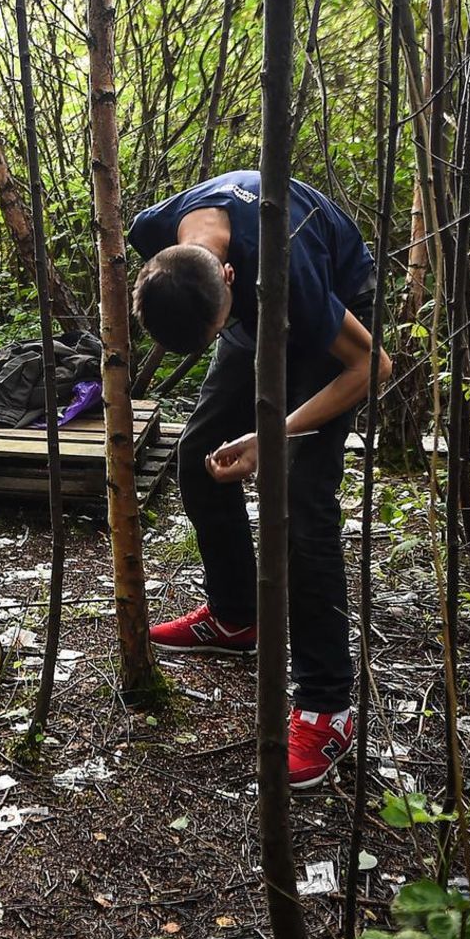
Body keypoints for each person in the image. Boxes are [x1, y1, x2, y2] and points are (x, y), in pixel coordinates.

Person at [129, 171, 389, 789]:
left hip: (338, 325)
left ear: (228, 278)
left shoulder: (289, 267)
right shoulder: (153, 235)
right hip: (251, 314)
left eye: (216, 329)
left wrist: (269, 438)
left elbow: (371, 365)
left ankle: (327, 707)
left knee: (302, 505)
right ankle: (235, 615)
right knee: (197, 457)